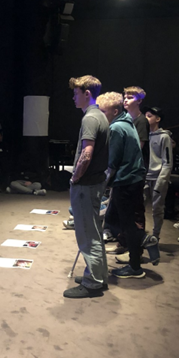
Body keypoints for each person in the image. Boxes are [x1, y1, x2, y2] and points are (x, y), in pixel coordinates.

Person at [97, 92, 154, 279]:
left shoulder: (115, 129)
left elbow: (112, 163)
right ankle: (138, 248)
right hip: (134, 179)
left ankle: (137, 262)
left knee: (122, 224)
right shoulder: (128, 124)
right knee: (118, 221)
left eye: (103, 111)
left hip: (125, 181)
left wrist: (101, 185)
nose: (100, 115)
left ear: (114, 111)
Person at [62, 75, 110, 299]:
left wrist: (75, 178)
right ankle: (98, 274)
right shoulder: (100, 116)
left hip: (87, 184)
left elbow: (86, 154)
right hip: (96, 182)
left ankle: (93, 282)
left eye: (76, 93)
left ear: (87, 93)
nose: (73, 97)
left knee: (87, 234)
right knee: (94, 232)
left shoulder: (90, 118)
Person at [144, 106, 173, 240]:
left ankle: (155, 236)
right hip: (144, 177)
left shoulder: (164, 137)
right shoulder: (143, 135)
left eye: (149, 116)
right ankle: (139, 235)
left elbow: (167, 162)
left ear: (158, 119)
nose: (146, 117)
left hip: (157, 178)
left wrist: (161, 182)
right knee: (137, 207)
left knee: (157, 209)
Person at [123, 86, 150, 170]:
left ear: (139, 101)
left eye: (130, 98)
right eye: (125, 97)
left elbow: (138, 147)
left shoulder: (142, 121)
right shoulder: (123, 119)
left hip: (135, 167)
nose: (125, 100)